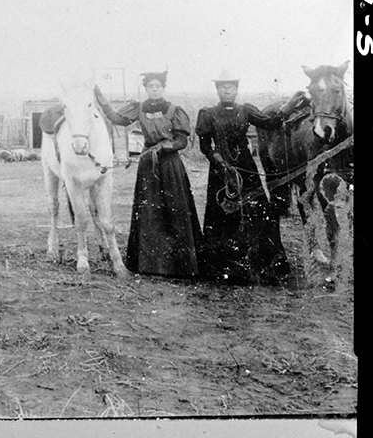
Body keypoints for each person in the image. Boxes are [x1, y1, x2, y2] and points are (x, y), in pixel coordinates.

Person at [196, 71, 306, 286]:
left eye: (231, 86)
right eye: (222, 87)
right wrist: (222, 164)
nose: (227, 90)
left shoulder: (245, 110)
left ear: (236, 90)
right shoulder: (207, 113)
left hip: (246, 168)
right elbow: (205, 146)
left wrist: (291, 104)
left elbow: (272, 122)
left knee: (261, 210)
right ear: (217, 90)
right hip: (221, 171)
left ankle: (269, 261)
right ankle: (225, 265)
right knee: (223, 216)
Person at [95, 71, 202, 278]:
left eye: (158, 86)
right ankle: (151, 264)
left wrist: (164, 146)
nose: (154, 89)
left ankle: (180, 265)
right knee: (149, 211)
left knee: (174, 210)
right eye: (150, 86)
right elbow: (117, 118)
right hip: (147, 164)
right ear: (146, 89)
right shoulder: (140, 108)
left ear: (163, 88)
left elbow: (182, 140)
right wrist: (100, 97)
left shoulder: (174, 110)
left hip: (170, 164)